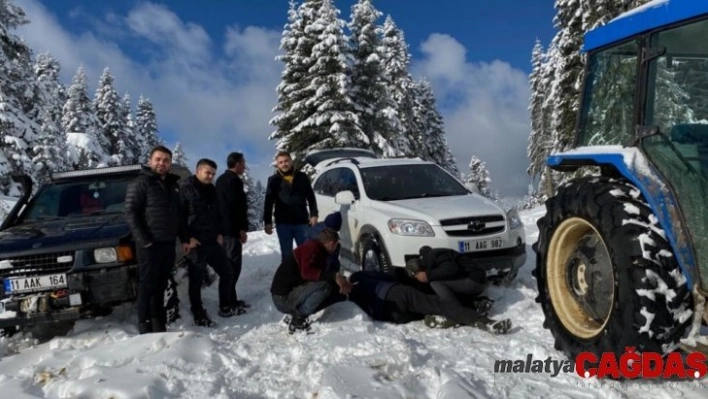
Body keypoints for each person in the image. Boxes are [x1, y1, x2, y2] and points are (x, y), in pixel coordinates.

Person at [124, 145, 188, 334]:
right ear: (150, 161)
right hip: (148, 244)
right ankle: (144, 326)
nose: (162, 163)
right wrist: (144, 239)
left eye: (166, 160)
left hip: (167, 243)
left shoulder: (172, 186)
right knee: (147, 285)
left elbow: (179, 215)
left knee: (161, 284)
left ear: (170, 163)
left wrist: (184, 239)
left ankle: (158, 323)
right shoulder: (141, 183)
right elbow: (130, 212)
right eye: (158, 159)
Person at [347, 270, 511, 334]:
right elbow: (388, 277)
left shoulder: (348, 300)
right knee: (438, 304)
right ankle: (483, 321)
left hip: (392, 315)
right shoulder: (357, 276)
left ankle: (433, 319)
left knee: (427, 307)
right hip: (398, 294)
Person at [180, 158, 239, 327]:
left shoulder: (212, 190)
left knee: (227, 272)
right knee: (196, 279)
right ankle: (198, 314)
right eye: (207, 172)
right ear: (198, 171)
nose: (210, 176)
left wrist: (220, 232)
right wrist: (186, 238)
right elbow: (179, 216)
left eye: (213, 173)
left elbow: (218, 213)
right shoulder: (186, 189)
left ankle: (225, 306)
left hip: (212, 239)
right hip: (195, 242)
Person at [270, 228, 351, 334]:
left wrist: (339, 282)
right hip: (283, 299)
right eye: (336, 245)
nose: (336, 248)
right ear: (331, 243)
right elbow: (307, 273)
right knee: (325, 286)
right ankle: (297, 319)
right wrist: (334, 276)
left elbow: (319, 275)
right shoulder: (312, 249)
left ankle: (294, 313)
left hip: (288, 293)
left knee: (328, 288)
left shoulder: (318, 250)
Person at [263, 150, 318, 261]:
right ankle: (289, 277)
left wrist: (314, 214)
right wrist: (267, 221)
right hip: (283, 223)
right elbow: (269, 201)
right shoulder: (273, 180)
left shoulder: (302, 177)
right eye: (281, 162)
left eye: (286, 161)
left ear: (291, 161)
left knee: (305, 252)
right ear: (277, 164)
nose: (284, 164)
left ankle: (305, 276)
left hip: (301, 221)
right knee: (287, 255)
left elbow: (310, 197)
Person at [406, 246, 492, 312]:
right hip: (474, 280)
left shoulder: (434, 255)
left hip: (475, 281)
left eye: (417, 276)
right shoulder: (434, 259)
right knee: (439, 285)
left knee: (435, 282)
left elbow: (451, 268)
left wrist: (428, 275)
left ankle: (456, 311)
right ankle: (475, 305)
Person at [215, 151, 250, 311]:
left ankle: (231, 300)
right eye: (243, 163)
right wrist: (241, 229)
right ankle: (226, 303)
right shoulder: (233, 181)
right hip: (231, 232)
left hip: (226, 230)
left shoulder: (221, 180)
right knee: (232, 268)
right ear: (236, 164)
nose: (244, 166)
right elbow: (235, 208)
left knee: (230, 267)